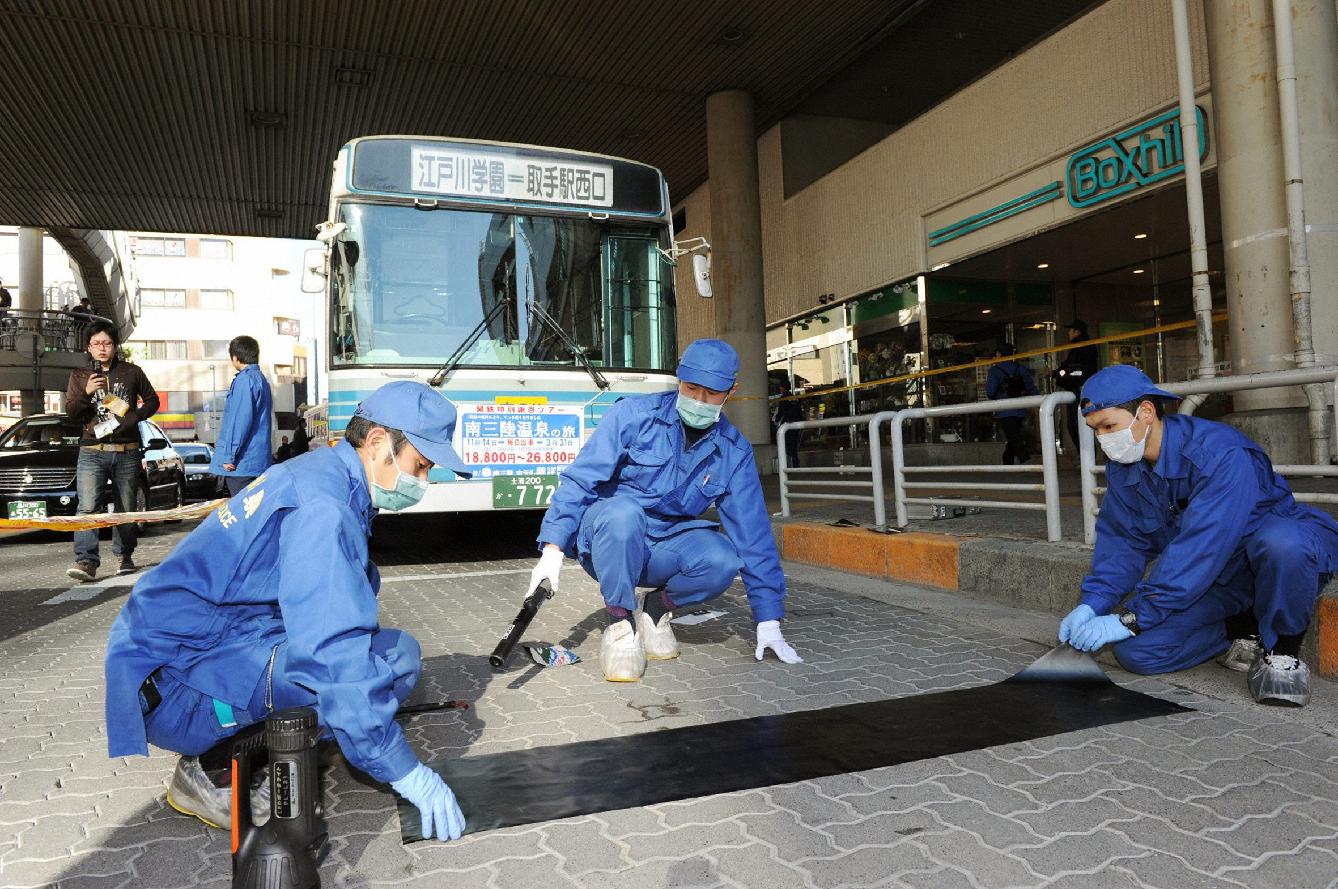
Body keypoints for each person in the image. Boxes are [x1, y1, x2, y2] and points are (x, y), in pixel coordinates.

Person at [103, 381, 473, 840]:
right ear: (378, 441)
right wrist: (404, 770)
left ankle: (264, 742)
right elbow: (330, 650)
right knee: (372, 667)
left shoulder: (327, 477)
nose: (423, 481)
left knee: (396, 653)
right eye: (421, 465)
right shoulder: (324, 506)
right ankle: (212, 770)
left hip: (206, 648)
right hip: (176, 685)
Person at [1057, 365, 1338, 707]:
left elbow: (1201, 547)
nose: (1103, 439)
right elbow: (1122, 543)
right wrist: (1092, 603)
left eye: (1108, 426)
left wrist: (1133, 617)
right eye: (1095, 430)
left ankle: (1282, 652)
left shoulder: (1219, 453)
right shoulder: (1125, 468)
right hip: (1219, 578)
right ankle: (1242, 626)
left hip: (1272, 559)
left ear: (1145, 412)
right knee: (1137, 652)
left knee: (1283, 544)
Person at [528, 338, 802, 682]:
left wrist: (768, 619)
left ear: (731, 392)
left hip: (665, 545)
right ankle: (621, 624)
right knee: (623, 513)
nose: (699, 401)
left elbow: (753, 534)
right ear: (679, 378)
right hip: (610, 540)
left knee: (723, 559)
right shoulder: (632, 416)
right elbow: (581, 481)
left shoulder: (733, 451)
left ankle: (656, 610)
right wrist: (551, 552)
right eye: (692, 388)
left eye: (712, 393)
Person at [64, 320, 160, 581]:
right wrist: (86, 393)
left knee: (125, 506)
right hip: (92, 449)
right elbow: (72, 412)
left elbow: (153, 400)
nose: (102, 348)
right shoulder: (79, 376)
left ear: (116, 346)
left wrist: (133, 417)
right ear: (89, 347)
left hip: (126, 450)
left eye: (107, 343)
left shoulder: (132, 372)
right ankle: (86, 561)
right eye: (96, 343)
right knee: (87, 506)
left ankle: (124, 555)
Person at [208, 336, 274, 495]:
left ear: (235, 357)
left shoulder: (245, 380)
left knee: (242, 513)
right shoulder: (261, 379)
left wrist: (229, 456)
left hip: (242, 464)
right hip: (258, 461)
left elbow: (239, 421)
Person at [985, 344, 1038, 465]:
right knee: (1014, 436)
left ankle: (1025, 460)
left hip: (1004, 410)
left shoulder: (995, 371)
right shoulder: (1020, 369)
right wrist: (1039, 400)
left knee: (1013, 437)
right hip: (1020, 409)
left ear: (999, 354)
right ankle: (1007, 462)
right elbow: (1031, 387)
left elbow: (990, 391)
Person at [1053, 320, 1099, 452]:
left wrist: (1060, 373)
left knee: (1076, 425)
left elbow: (1074, 369)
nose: (1068, 333)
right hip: (1081, 389)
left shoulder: (1081, 347)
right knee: (1077, 425)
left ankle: (1088, 457)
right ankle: (1087, 458)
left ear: (1077, 332)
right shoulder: (1081, 346)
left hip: (1079, 390)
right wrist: (1057, 373)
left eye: (1071, 330)